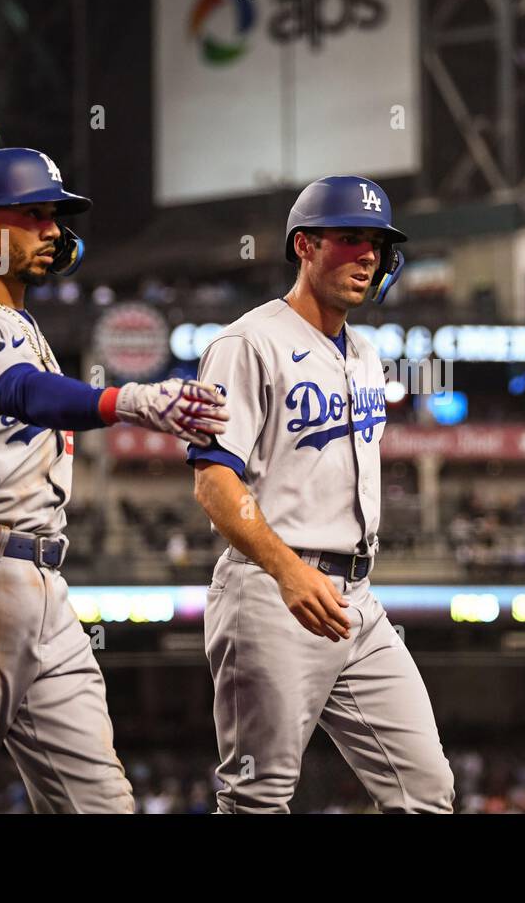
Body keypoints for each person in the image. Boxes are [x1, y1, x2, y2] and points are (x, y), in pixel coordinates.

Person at [0, 147, 228, 812]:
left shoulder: (21, 323)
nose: (54, 232)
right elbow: (24, 394)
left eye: (54, 218)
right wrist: (128, 402)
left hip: (42, 581)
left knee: (99, 803)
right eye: (35, 216)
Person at [188, 175, 455, 812]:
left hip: (357, 599)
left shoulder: (364, 353)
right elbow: (214, 483)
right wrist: (286, 571)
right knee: (259, 798)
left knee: (427, 791)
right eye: (350, 239)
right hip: (273, 593)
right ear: (304, 245)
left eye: (378, 245)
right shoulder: (246, 344)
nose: (368, 255)